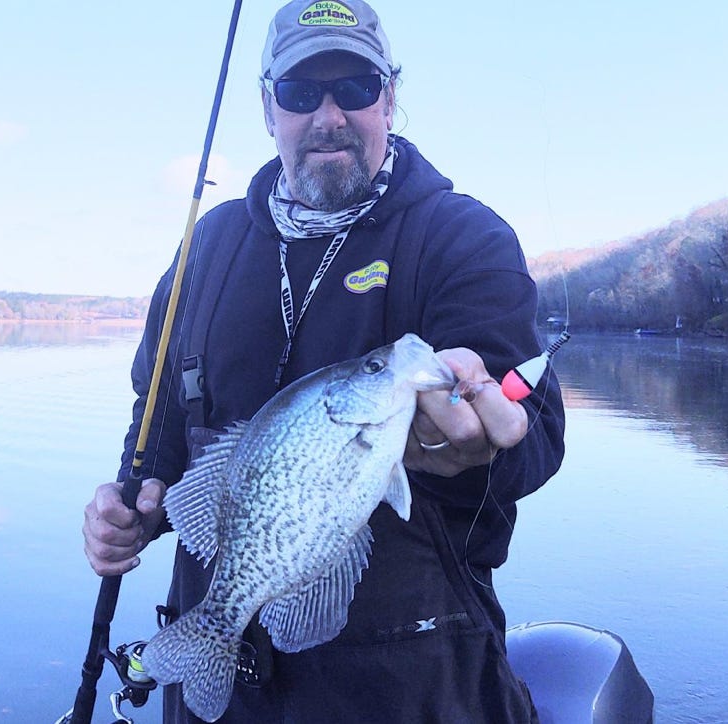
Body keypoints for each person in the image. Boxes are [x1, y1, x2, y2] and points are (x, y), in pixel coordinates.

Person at [82, 1, 565, 721]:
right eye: (301, 94)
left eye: (356, 89)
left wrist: (472, 453)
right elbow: (158, 410)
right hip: (219, 691)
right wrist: (140, 494)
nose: (328, 116)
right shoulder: (208, 247)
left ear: (391, 97)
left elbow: (536, 441)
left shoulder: (463, 238)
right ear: (268, 107)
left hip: (407, 685)